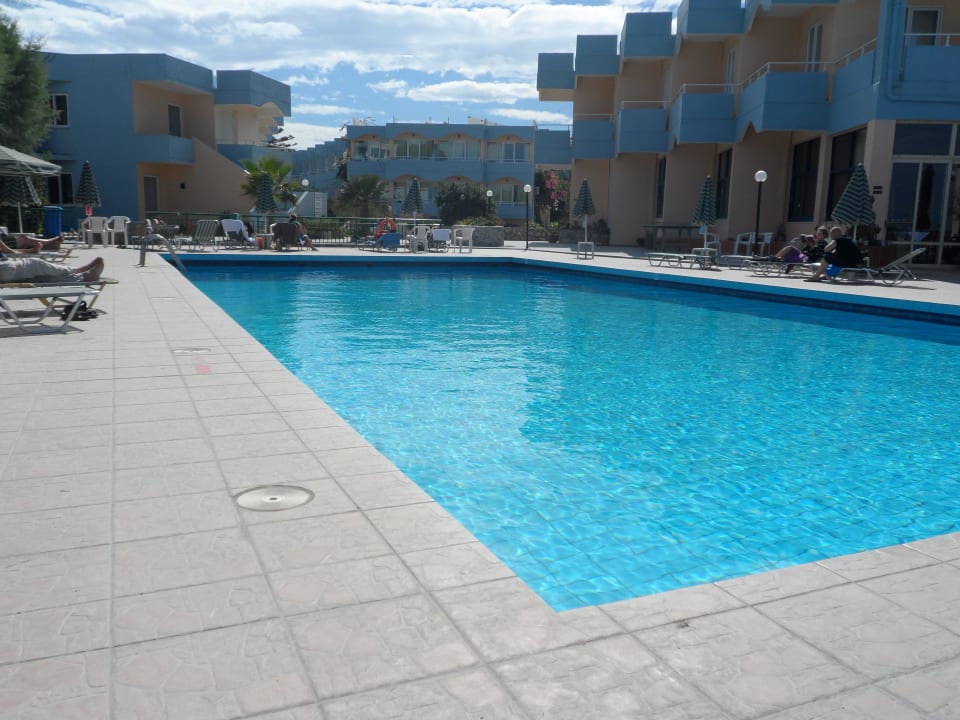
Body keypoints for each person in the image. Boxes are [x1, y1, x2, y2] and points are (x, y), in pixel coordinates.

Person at [0, 254, 104, 283]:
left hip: (8, 271)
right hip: (7, 269)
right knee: (36, 265)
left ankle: (83, 276)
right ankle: (78, 271)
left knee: (45, 279)